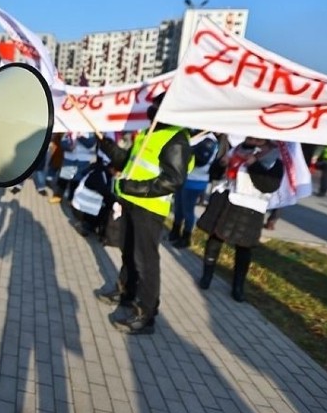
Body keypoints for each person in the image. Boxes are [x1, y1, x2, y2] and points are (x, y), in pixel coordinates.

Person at [95, 93, 192, 335]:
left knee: (145, 262)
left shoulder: (177, 138)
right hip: (131, 203)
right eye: (154, 105)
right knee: (128, 251)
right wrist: (108, 147)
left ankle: (146, 313)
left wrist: (132, 188)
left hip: (149, 209)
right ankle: (125, 291)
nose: (152, 109)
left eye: (158, 106)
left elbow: (173, 180)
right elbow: (130, 162)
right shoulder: (153, 131)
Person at [196, 137, 284, 302]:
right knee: (215, 238)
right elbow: (214, 174)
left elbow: (269, 185)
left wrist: (253, 165)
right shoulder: (235, 149)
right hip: (225, 200)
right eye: (251, 136)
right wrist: (221, 164)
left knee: (244, 247)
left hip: (250, 208)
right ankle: (207, 276)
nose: (253, 139)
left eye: (258, 138)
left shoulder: (274, 159)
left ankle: (238, 286)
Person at [168, 130, 219, 248]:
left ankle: (186, 237)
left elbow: (201, 161)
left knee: (188, 211)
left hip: (195, 181)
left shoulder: (208, 141)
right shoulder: (198, 137)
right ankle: (175, 232)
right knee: (178, 208)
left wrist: (185, 151)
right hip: (184, 177)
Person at [49, 132, 96, 204]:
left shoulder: (90, 132)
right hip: (70, 158)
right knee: (64, 178)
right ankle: (58, 196)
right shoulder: (69, 130)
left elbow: (90, 144)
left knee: (76, 181)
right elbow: (63, 143)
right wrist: (69, 147)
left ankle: (71, 198)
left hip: (83, 160)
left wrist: (78, 136)